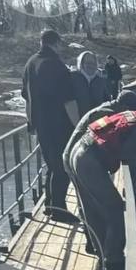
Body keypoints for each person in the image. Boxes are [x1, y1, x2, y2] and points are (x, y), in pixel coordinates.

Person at [70, 103, 136, 270]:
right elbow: (129, 157)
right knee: (116, 208)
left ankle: (99, 250)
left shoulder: (135, 116)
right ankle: (114, 260)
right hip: (90, 160)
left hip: (79, 149)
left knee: (91, 206)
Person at [22, 29, 80, 223]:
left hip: (40, 124)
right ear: (56, 43)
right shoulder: (56, 66)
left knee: (52, 165)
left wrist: (32, 120)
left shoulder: (31, 63)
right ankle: (59, 210)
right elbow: (68, 101)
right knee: (61, 167)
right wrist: (78, 125)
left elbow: (25, 95)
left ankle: (49, 205)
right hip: (58, 125)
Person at [72, 50, 110, 114]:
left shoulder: (101, 81)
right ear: (81, 63)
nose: (91, 65)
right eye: (88, 63)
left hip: (96, 121)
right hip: (76, 121)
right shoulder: (73, 78)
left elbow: (106, 102)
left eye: (94, 63)